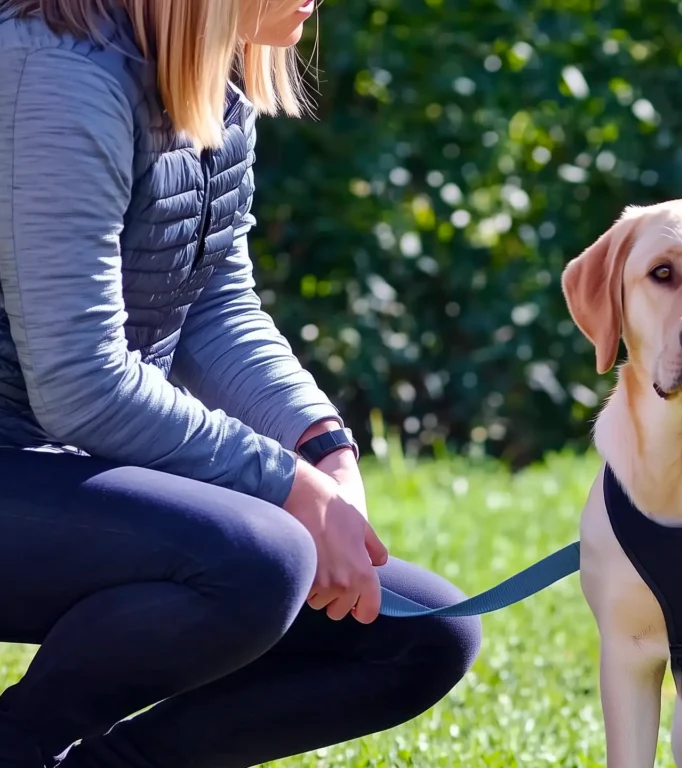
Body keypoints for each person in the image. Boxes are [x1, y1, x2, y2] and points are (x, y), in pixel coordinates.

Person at [0, 0, 482, 766]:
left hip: (55, 468)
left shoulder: (205, 72)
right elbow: (80, 383)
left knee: (420, 632)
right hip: (25, 462)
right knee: (259, 560)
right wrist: (286, 484)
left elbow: (213, 305)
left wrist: (322, 448)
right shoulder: (57, 73)